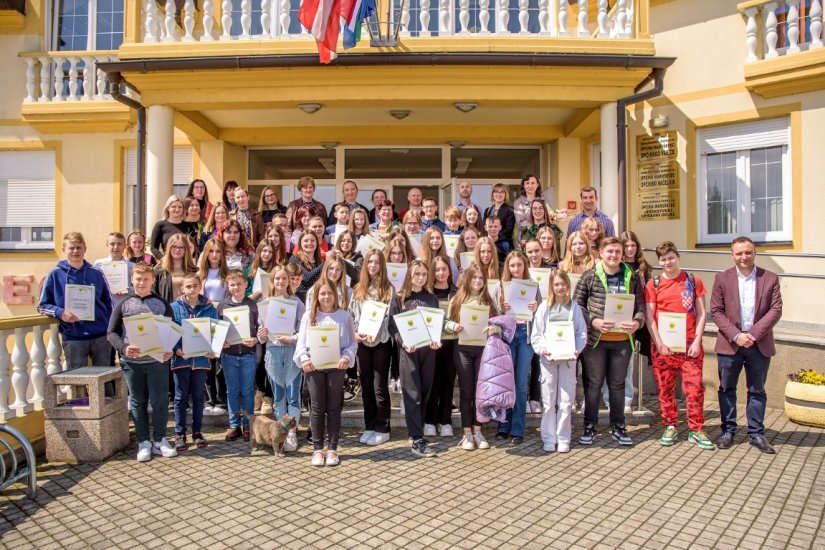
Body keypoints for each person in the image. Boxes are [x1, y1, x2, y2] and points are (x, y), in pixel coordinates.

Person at [711, 236, 782, 454]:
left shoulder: (769, 278)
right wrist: (736, 335)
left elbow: (775, 310)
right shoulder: (722, 278)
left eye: (748, 252)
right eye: (739, 253)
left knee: (757, 390)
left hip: (758, 344)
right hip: (730, 345)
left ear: (754, 253)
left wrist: (751, 334)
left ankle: (756, 434)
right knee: (726, 389)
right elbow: (716, 311)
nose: (744, 257)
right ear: (732, 255)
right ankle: (728, 430)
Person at [573, 237, 645, 447]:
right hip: (596, 341)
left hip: (622, 340)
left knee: (617, 385)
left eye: (617, 252)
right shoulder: (589, 276)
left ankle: (618, 427)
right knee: (593, 385)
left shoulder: (632, 276)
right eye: (610, 251)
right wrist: (594, 321)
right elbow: (577, 306)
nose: (614, 255)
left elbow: (641, 306)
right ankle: (590, 427)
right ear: (601, 253)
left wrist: (637, 323)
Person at [645, 241, 715, 451]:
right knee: (665, 389)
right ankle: (670, 425)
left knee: (694, 389)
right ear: (659, 261)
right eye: (663, 259)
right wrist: (659, 343)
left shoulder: (693, 280)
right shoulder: (654, 283)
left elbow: (702, 313)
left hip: (689, 346)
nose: (667, 262)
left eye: (671, 258)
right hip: (663, 347)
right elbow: (650, 316)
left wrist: (696, 340)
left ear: (678, 257)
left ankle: (696, 429)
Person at [106, 262, 176, 461]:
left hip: (157, 362)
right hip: (132, 363)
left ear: (153, 280)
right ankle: (143, 441)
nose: (142, 282)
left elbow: (171, 331)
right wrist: (124, 348)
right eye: (138, 278)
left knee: (160, 401)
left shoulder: (162, 304)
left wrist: (169, 349)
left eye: (146, 279)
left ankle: (160, 439)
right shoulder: (124, 304)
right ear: (132, 279)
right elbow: (111, 333)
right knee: (137, 402)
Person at [294, 280, 358, 466]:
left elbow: (352, 343)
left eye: (329, 293)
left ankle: (332, 449)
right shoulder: (309, 316)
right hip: (314, 368)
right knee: (316, 408)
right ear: (316, 296)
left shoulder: (343, 316)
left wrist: (346, 356)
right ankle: (317, 449)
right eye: (322, 294)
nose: (326, 297)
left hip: (336, 368)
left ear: (335, 295)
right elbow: (301, 344)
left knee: (333, 407)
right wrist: (304, 359)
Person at [531, 269, 588, 453]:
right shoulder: (544, 307)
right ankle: (549, 438)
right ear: (551, 286)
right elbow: (537, 334)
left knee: (565, 401)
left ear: (568, 285)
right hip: (548, 360)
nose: (560, 287)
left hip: (568, 361)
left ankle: (563, 438)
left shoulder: (574, 307)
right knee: (548, 402)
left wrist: (576, 351)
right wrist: (543, 350)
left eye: (563, 284)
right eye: (556, 284)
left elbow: (581, 333)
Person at [38, 232, 114, 370]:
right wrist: (60, 313)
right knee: (77, 382)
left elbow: (109, 303)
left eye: (79, 247)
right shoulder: (54, 274)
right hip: (74, 337)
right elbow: (42, 306)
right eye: (71, 248)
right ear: (63, 250)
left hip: (101, 337)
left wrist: (109, 327)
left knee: (105, 382)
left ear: (85, 248)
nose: (75, 251)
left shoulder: (96, 273)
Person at [388, 259, 441, 458]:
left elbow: (436, 324)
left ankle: (416, 433)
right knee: (413, 394)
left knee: (425, 392)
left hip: (428, 352)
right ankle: (417, 438)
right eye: (416, 274)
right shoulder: (400, 298)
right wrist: (403, 342)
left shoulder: (431, 298)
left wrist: (436, 340)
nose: (420, 277)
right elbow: (392, 326)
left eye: (424, 274)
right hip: (409, 352)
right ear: (410, 276)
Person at [446, 264, 501, 451]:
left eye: (481, 278)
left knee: (480, 392)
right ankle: (467, 433)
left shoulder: (488, 300)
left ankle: (478, 430)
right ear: (467, 279)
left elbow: (499, 323)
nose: (477, 281)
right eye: (474, 277)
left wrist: (495, 329)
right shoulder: (457, 299)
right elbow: (445, 322)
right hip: (462, 349)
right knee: (466, 391)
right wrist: (453, 327)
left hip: (483, 350)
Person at [349, 249, 395, 447]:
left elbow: (388, 319)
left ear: (382, 266)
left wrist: (376, 333)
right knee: (366, 388)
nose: (373, 266)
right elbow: (351, 316)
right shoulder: (359, 288)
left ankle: (383, 427)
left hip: (380, 344)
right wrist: (356, 333)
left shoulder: (388, 289)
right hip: (362, 344)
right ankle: (369, 426)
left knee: (379, 388)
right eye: (370, 262)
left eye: (377, 262)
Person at [170, 273, 218, 451]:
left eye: (194, 286)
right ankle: (180, 432)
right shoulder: (174, 307)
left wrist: (214, 349)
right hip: (181, 359)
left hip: (201, 360)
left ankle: (197, 431)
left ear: (200, 287)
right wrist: (176, 348)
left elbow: (215, 331)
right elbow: (170, 330)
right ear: (182, 288)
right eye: (188, 286)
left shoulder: (209, 308)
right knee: (180, 397)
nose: (191, 289)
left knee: (199, 397)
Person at [496, 251, 539, 445]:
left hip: (525, 335)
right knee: (506, 382)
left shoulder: (533, 286)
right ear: (508, 267)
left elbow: (541, 314)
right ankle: (503, 425)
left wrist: (535, 307)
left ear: (524, 266)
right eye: (512, 266)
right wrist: (501, 309)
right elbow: (494, 314)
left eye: (519, 265)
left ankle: (517, 429)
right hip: (508, 334)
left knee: (521, 383)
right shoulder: (501, 287)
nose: (515, 269)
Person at [262, 265, 305, 453]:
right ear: (272, 281)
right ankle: (281, 431)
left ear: (289, 281)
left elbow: (304, 331)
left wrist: (292, 338)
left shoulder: (297, 303)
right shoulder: (265, 303)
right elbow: (260, 333)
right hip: (273, 351)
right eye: (277, 279)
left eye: (284, 279)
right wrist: (262, 334)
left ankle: (292, 432)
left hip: (292, 351)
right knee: (279, 396)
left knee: (293, 395)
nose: (280, 282)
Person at [219, 270, 262, 442]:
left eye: (239, 284)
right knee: (232, 391)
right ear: (228, 287)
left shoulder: (253, 305)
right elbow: (216, 330)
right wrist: (221, 342)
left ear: (246, 285)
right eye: (232, 284)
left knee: (247, 390)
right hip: (229, 355)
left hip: (248, 354)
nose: (236, 287)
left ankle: (247, 424)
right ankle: (234, 425)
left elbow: (260, 328)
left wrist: (256, 339)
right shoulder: (222, 306)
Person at [424, 256, 457, 437]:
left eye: (444, 269)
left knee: (447, 382)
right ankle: (430, 420)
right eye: (437, 270)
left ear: (449, 272)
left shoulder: (456, 292)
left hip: (451, 343)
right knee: (432, 382)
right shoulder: (427, 293)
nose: (441, 273)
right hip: (431, 344)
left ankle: (445, 420)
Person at [152, 233, 197, 305]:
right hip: (166, 313)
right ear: (169, 248)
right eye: (174, 246)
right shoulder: (159, 271)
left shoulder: (194, 271)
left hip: (189, 313)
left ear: (186, 249)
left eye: (181, 247)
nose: (177, 250)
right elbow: (153, 294)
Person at [93, 232, 135, 298]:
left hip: (125, 305)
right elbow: (93, 285)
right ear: (107, 244)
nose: (116, 247)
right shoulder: (98, 264)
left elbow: (139, 288)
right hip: (105, 306)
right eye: (112, 244)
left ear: (125, 245)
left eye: (119, 244)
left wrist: (128, 290)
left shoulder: (132, 266)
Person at [288, 232, 323, 302]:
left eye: (312, 240)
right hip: (300, 300)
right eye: (306, 241)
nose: (309, 243)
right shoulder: (295, 259)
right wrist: (326, 263)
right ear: (300, 243)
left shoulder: (320, 262)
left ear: (317, 243)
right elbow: (307, 279)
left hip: (316, 300)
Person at [483, 184, 516, 250]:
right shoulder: (488, 210)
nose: (499, 194)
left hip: (503, 245)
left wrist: (494, 238)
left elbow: (508, 230)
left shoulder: (510, 210)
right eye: (496, 192)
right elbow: (485, 228)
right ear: (493, 194)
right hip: (489, 244)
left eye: (502, 192)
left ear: (505, 194)